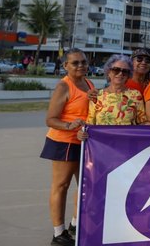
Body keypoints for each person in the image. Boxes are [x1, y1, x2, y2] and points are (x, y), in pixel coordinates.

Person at [40, 48, 95, 246]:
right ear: (65, 66)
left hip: (84, 142)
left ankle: (74, 225)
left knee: (85, 187)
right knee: (61, 186)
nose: (81, 65)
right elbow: (50, 119)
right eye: (75, 63)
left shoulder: (88, 83)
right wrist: (69, 125)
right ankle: (58, 233)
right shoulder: (63, 87)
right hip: (63, 143)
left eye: (83, 62)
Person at [80, 54, 146, 127]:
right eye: (116, 70)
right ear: (108, 72)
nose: (120, 73)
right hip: (103, 138)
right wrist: (81, 133)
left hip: (127, 138)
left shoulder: (136, 95)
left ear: (128, 75)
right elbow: (90, 124)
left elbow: (142, 123)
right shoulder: (97, 95)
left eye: (125, 71)